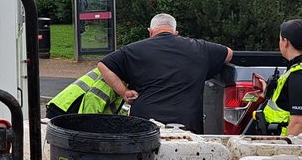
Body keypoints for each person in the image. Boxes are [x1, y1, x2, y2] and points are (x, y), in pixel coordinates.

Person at [96, 13, 233, 134]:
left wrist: (124, 92)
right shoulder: (199, 47)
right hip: (187, 123)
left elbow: (103, 65)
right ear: (176, 32)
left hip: (144, 123)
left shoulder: (133, 50)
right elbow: (228, 53)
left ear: (150, 32)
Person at [254, 19, 302, 136]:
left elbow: (298, 124)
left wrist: (287, 148)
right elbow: (289, 101)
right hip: (298, 140)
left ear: (286, 42)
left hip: (290, 143)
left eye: (280, 39)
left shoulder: (300, 75)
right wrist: (268, 92)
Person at [46, 67, 124, 120]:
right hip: (65, 111)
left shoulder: (118, 71)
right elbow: (92, 101)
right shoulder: (115, 77)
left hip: (64, 106)